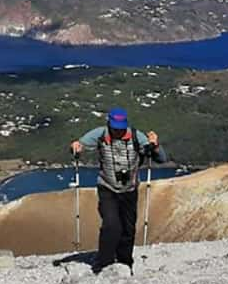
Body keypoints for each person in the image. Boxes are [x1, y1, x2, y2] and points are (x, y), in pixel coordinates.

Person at [71, 107, 167, 274]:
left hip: (130, 189)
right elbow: (79, 146)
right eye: (115, 128)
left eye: (121, 128)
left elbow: (160, 158)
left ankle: (125, 262)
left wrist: (155, 145)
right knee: (111, 224)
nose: (118, 131)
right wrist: (76, 147)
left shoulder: (138, 137)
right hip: (107, 187)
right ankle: (103, 263)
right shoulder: (100, 134)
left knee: (128, 229)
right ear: (109, 124)